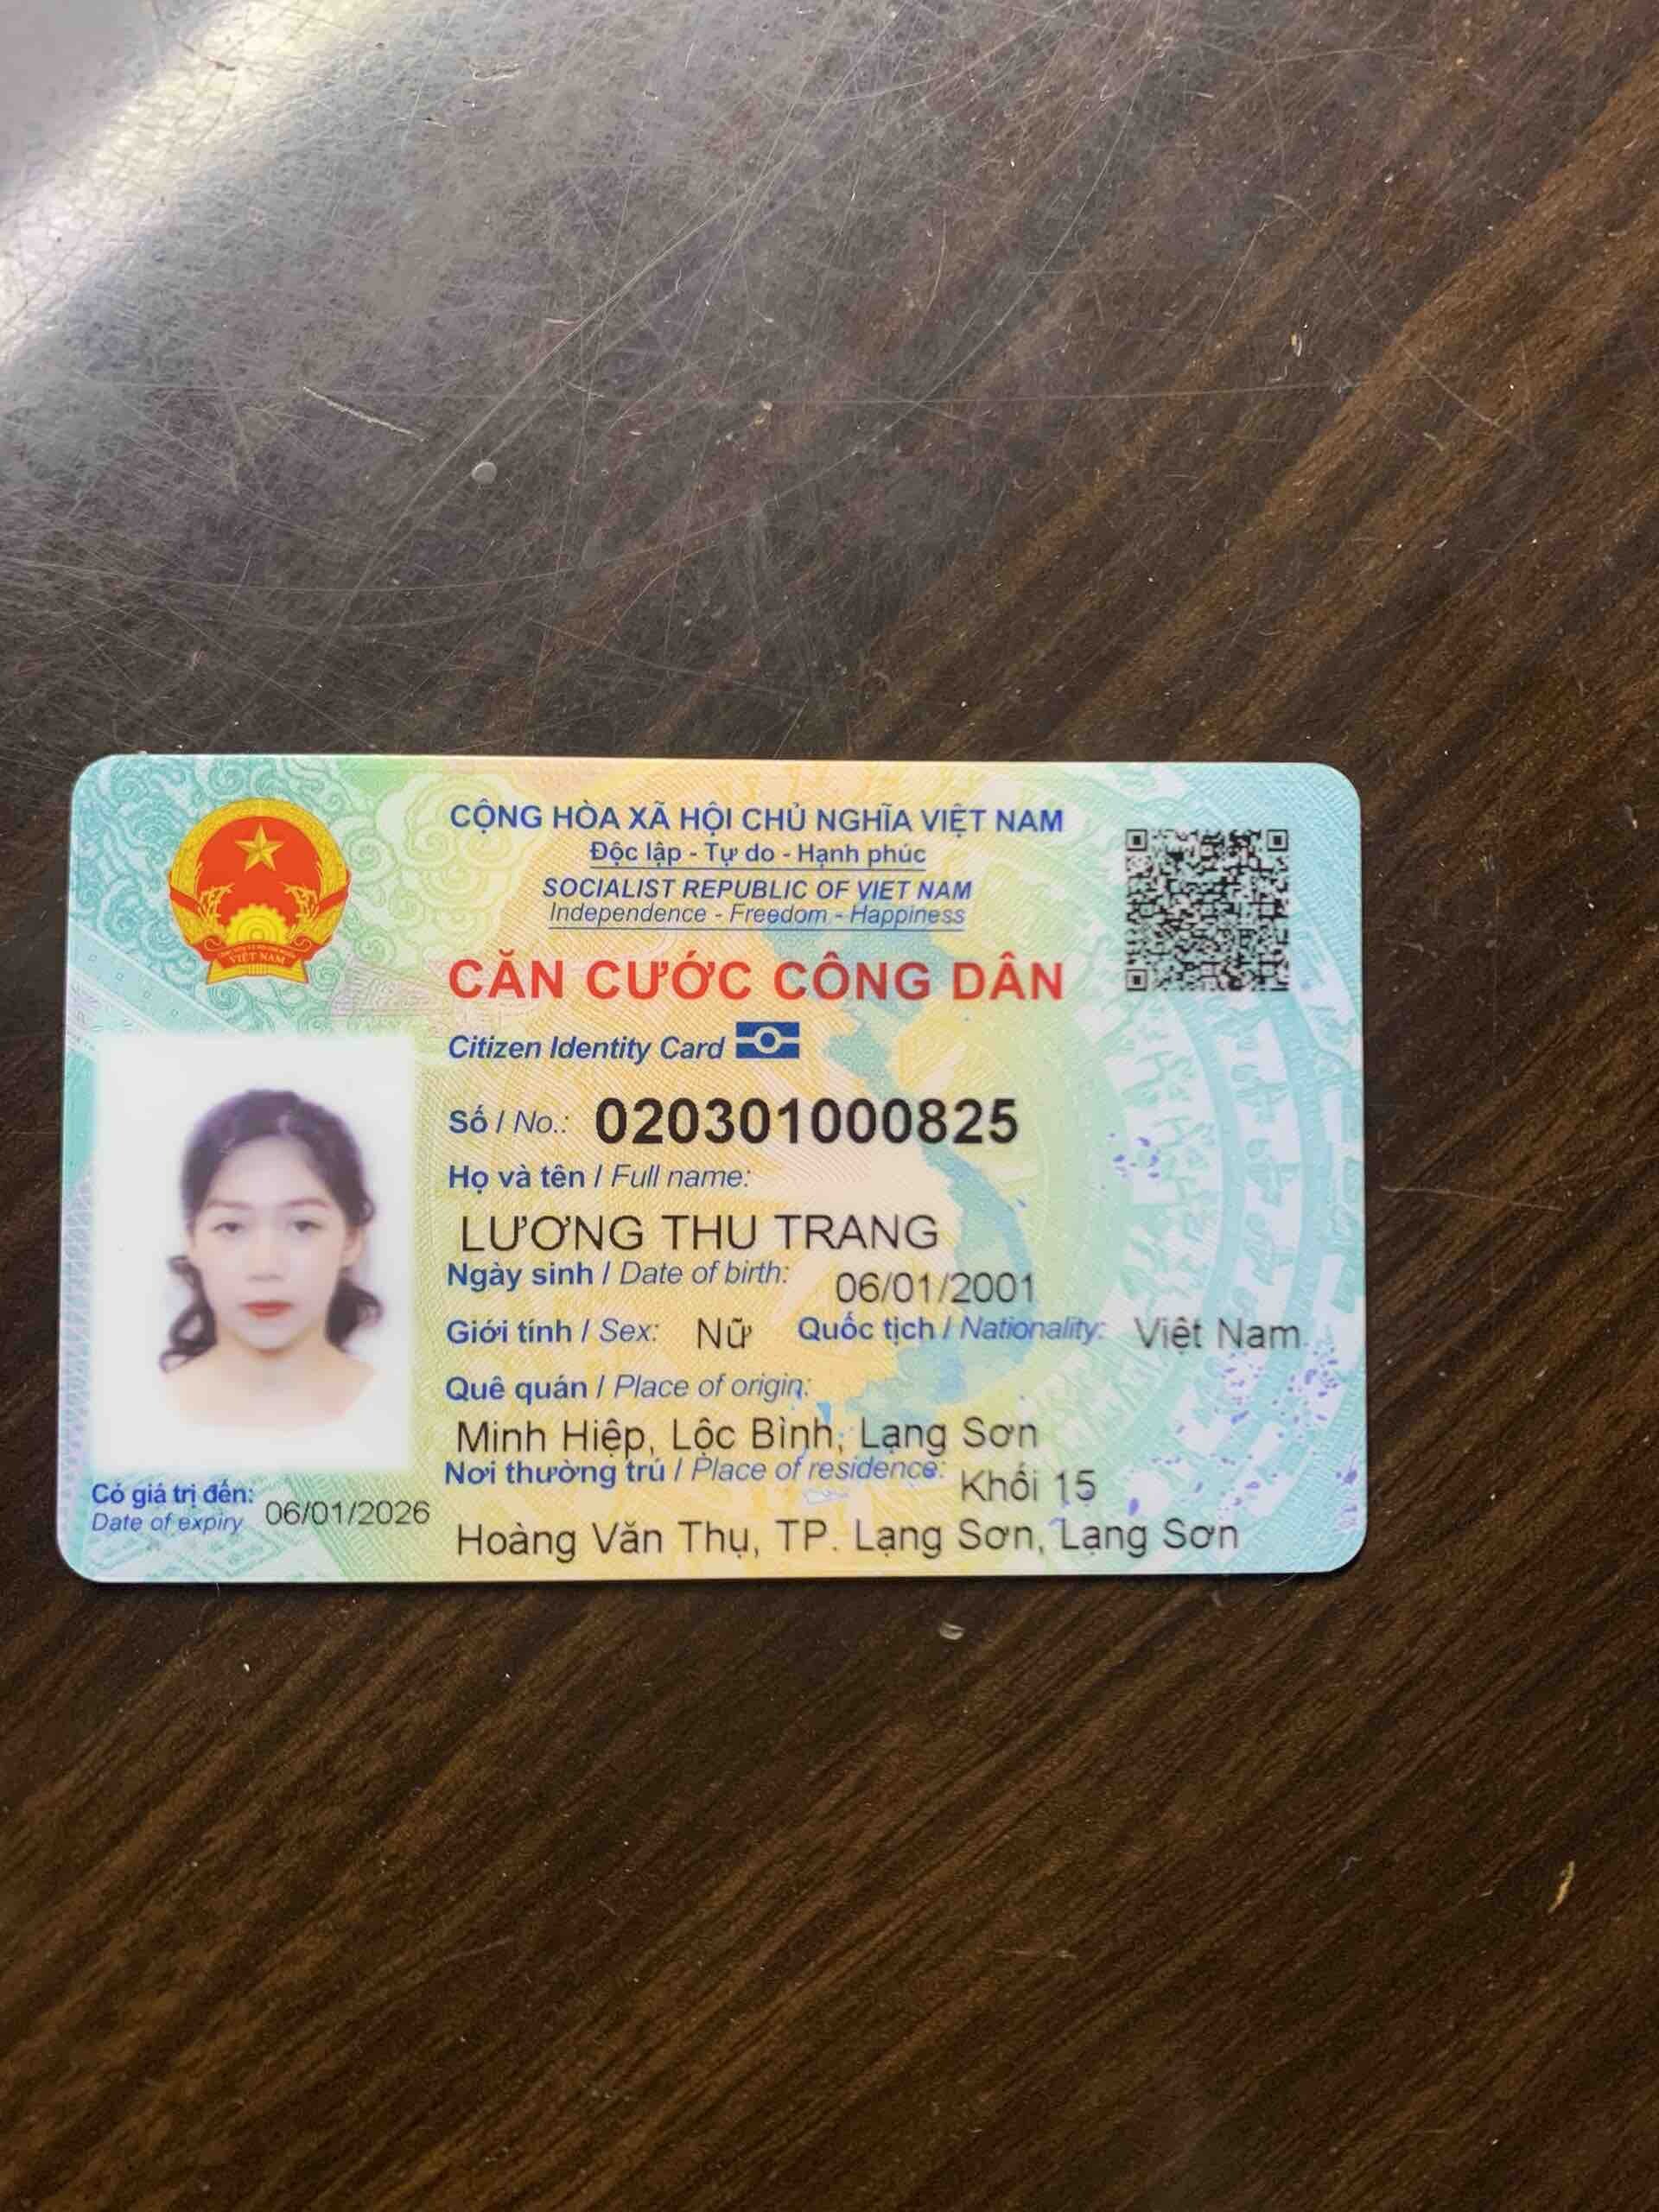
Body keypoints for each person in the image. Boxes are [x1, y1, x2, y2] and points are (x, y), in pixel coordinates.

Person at [158, 1088, 393, 1449]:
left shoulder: (400, 1417)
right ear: (192, 1241)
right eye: (231, 1227)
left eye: (302, 1225)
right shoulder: (137, 1417)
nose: (265, 1266)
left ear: (351, 1241)